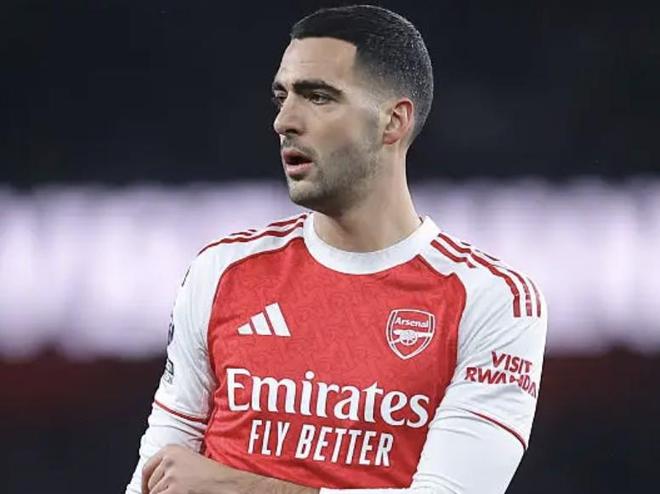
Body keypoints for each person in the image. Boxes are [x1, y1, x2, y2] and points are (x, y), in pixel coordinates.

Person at [126, 5, 547, 494]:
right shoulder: (222, 271)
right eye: (282, 97)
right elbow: (156, 474)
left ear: (393, 122)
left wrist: (235, 487)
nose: (284, 120)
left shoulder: (492, 300)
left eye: (318, 97)